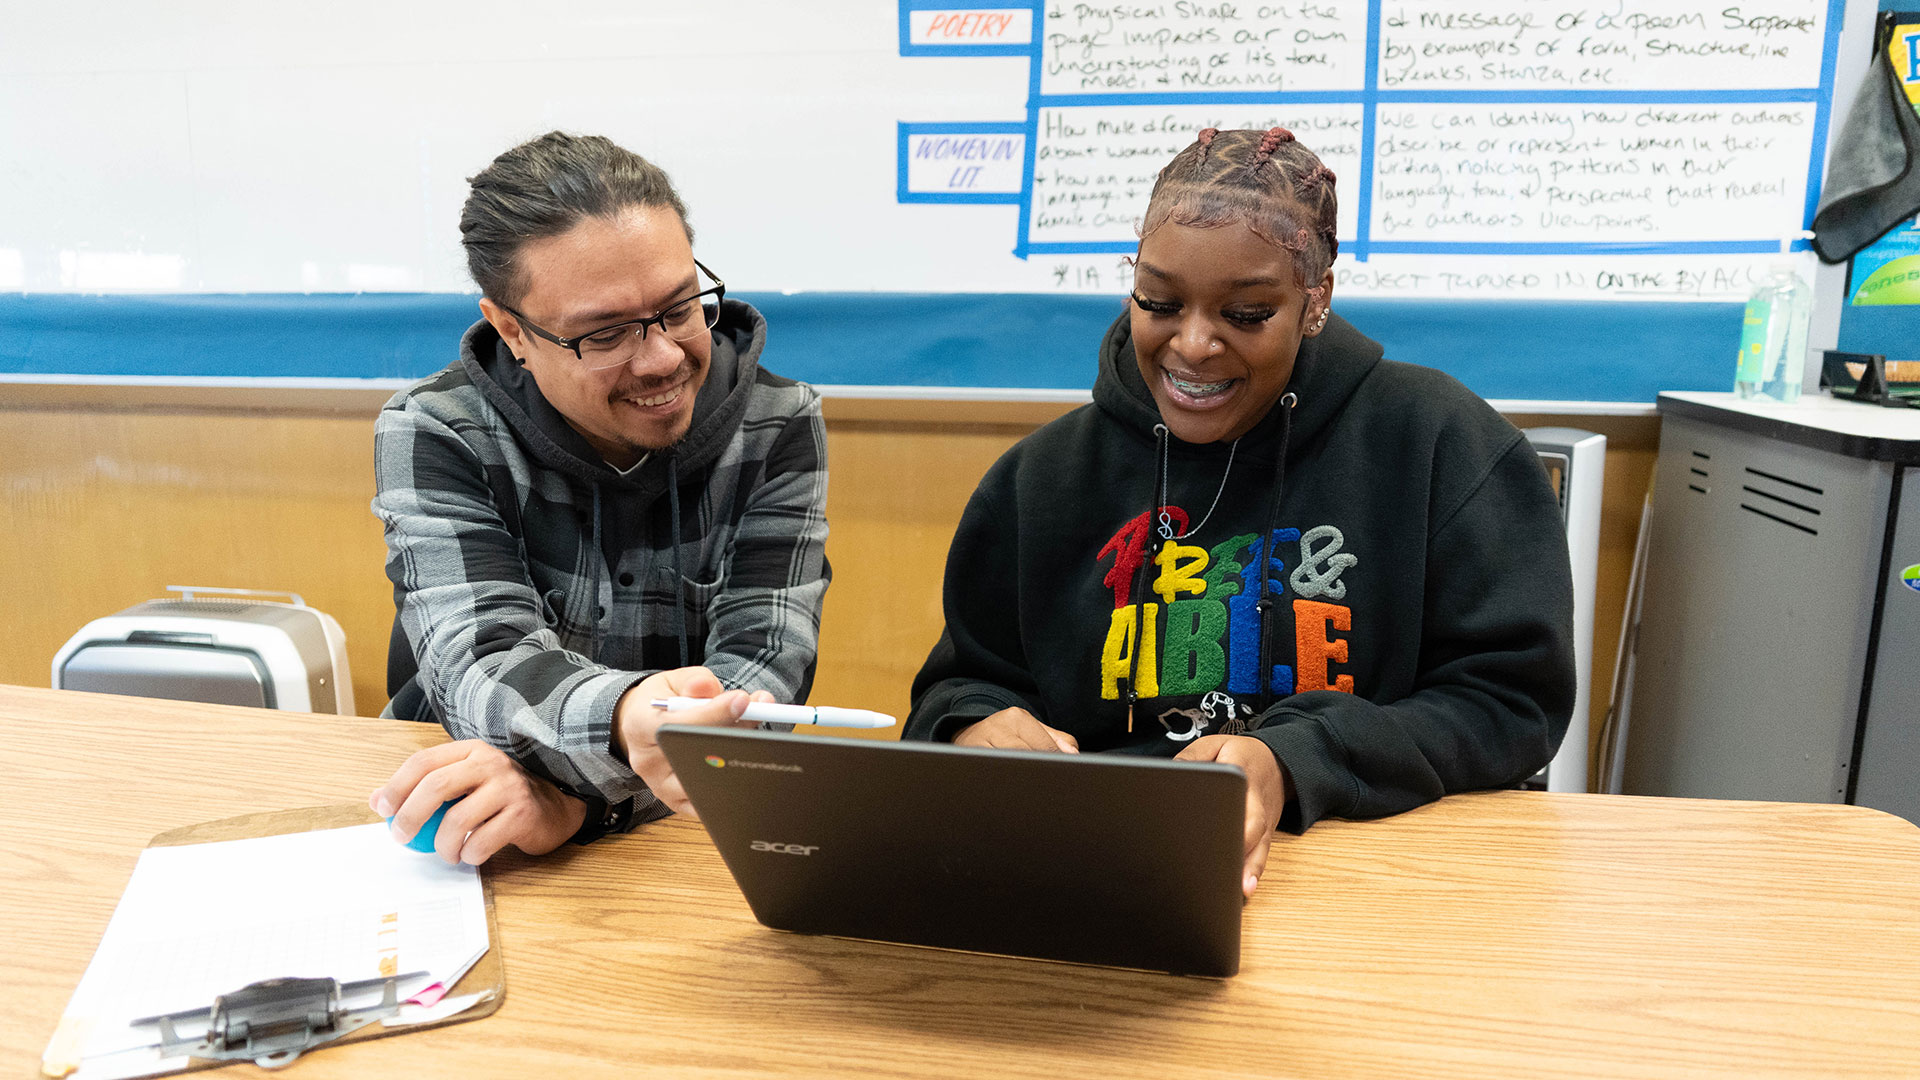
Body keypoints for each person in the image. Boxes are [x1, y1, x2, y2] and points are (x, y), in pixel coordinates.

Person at [905, 127, 1575, 896]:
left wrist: (1297, 757)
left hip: (1362, 871)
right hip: (1095, 872)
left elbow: (1510, 704)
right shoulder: (1040, 479)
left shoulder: (1438, 443)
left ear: (1315, 301)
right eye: (1158, 302)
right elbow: (958, 688)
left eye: (1247, 314)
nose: (1192, 345)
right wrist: (972, 726)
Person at [368, 132, 831, 865]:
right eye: (607, 333)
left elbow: (755, 696)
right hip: (470, 816)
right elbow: (478, 662)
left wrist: (578, 803)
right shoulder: (435, 429)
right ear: (511, 330)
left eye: (680, 308)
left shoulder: (780, 426)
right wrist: (622, 724)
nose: (663, 358)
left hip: (658, 840)